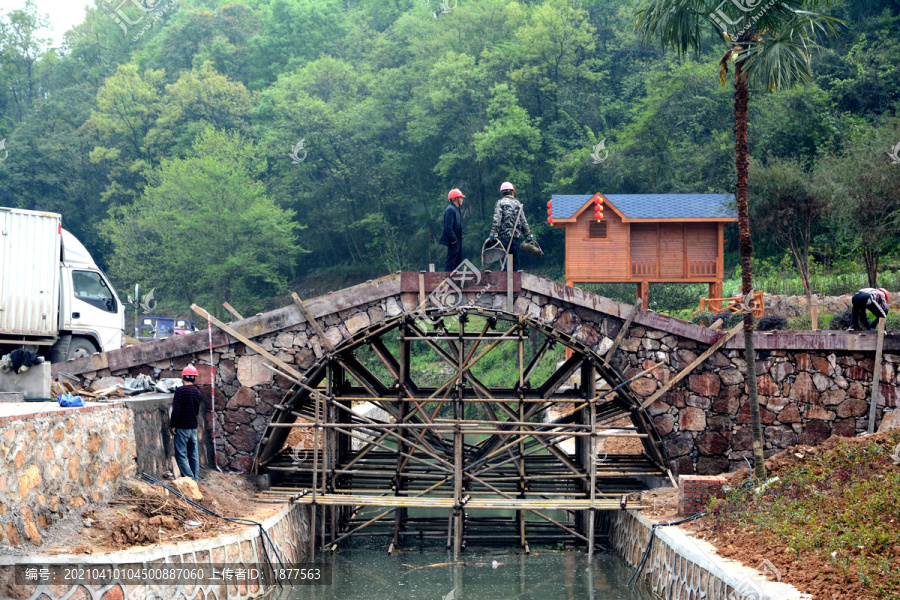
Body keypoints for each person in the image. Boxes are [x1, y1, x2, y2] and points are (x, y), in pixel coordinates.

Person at [488, 181, 534, 271]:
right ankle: (515, 277)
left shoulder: (500, 203)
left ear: (502, 194)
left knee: (504, 258)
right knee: (513, 257)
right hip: (515, 237)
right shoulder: (518, 204)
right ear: (512, 192)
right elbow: (523, 221)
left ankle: (506, 279)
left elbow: (497, 219)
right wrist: (528, 236)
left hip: (503, 236)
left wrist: (493, 234)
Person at [170, 364, 203, 481]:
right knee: (193, 454)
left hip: (182, 427)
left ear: (183, 377)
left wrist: (173, 425)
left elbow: (176, 410)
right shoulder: (197, 392)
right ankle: (196, 479)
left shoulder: (180, 391)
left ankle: (190, 479)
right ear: (194, 378)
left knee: (181, 454)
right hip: (193, 427)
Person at [439, 188, 465, 272]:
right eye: (461, 198)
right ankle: (448, 281)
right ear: (456, 199)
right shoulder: (450, 209)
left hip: (458, 239)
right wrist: (453, 239)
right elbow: (448, 227)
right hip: (453, 240)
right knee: (451, 261)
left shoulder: (457, 210)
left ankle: (455, 282)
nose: (462, 200)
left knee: (458, 262)